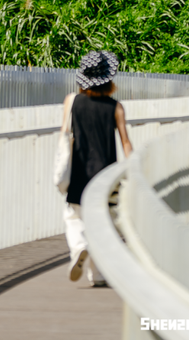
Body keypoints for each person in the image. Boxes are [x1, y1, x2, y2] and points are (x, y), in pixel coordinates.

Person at [61, 50, 132, 285]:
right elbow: (125, 142)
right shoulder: (116, 107)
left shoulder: (72, 101)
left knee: (74, 216)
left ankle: (79, 247)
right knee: (102, 223)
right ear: (108, 80)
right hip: (106, 174)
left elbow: (64, 135)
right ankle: (98, 275)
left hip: (79, 171)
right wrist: (133, 170)